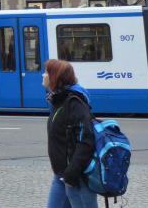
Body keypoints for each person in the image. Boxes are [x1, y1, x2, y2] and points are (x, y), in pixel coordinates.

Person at [44, 58, 98, 208]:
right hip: (62, 175)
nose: (43, 75)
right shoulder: (58, 101)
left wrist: (71, 174)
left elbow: (86, 140)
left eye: (46, 72)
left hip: (76, 178)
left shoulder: (74, 103)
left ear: (55, 77)